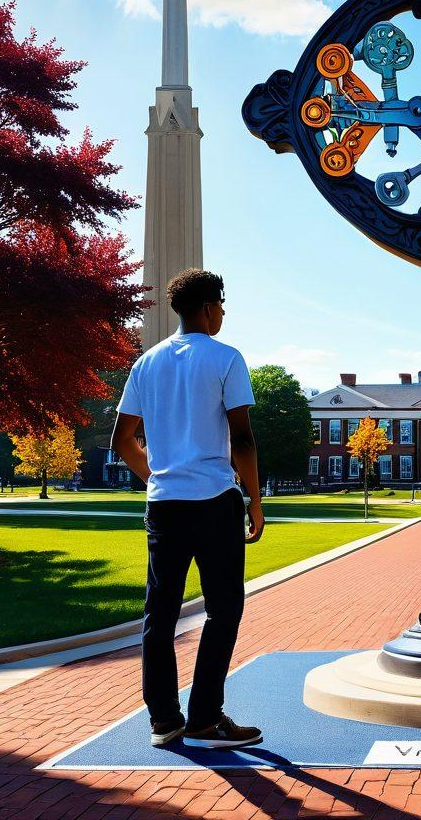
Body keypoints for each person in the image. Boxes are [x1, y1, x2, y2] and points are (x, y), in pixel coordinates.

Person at [111, 269, 265, 750]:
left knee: (160, 614)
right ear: (207, 307)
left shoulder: (146, 363)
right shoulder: (226, 358)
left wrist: (156, 476)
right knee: (224, 611)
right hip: (215, 502)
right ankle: (203, 717)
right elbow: (241, 437)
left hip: (165, 508)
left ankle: (164, 721)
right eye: (221, 305)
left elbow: (123, 441)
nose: (222, 313)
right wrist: (255, 502)